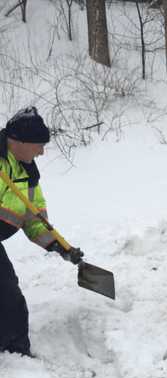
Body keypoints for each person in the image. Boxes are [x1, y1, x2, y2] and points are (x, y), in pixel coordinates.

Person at [0, 107, 83, 358]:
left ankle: (13, 351)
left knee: (7, 295)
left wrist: (59, 246)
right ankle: (14, 354)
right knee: (6, 293)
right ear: (17, 142)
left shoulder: (28, 174)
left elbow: (35, 220)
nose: (42, 151)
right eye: (38, 145)